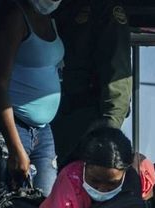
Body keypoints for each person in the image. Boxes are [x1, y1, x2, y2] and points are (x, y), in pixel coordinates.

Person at [0, 0, 66, 196]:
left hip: (43, 131)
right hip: (15, 127)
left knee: (45, 206)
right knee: (12, 205)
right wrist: (14, 147)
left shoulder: (49, 19)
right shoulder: (16, 18)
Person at [51, 1, 133, 165]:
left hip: (85, 123)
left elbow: (117, 72)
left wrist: (109, 129)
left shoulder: (103, 9)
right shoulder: (54, 7)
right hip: (50, 118)